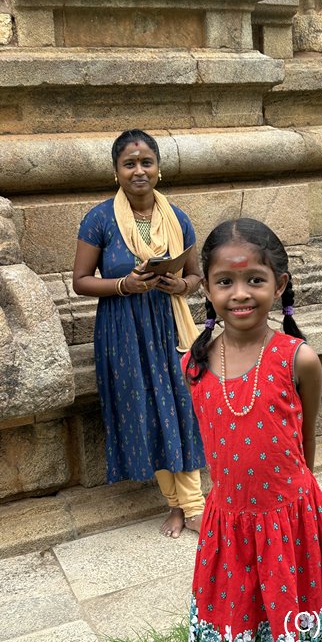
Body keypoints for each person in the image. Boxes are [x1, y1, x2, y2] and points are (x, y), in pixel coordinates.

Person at [182, 218, 322, 641]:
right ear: (207, 289)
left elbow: (306, 442)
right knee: (238, 613)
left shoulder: (298, 359)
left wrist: (296, 504)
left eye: (255, 279)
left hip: (291, 519)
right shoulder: (193, 367)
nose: (241, 293)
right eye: (225, 281)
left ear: (279, 284)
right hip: (228, 525)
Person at [73, 129, 205, 539]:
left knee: (181, 405)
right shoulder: (99, 219)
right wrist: (122, 285)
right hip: (123, 330)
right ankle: (178, 506)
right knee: (148, 411)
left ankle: (194, 505)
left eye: (146, 162)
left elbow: (197, 275)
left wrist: (182, 286)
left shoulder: (177, 217)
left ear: (159, 169)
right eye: (129, 164)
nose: (138, 170)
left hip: (169, 324)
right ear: (117, 172)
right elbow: (80, 281)